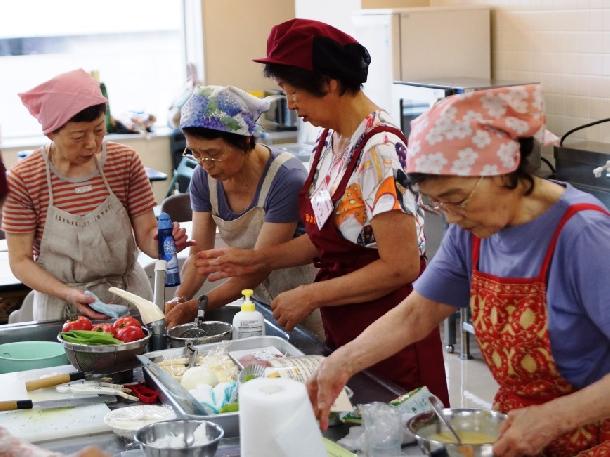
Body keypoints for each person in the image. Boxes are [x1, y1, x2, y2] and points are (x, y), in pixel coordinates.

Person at [306, 83, 610, 456]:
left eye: (455, 198)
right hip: (518, 430)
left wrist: (555, 418)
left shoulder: (584, 235)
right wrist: (342, 362)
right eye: (438, 204)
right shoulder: (475, 231)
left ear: (504, 169)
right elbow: (417, 313)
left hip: (592, 432)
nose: (451, 217)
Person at [195, 19, 449, 404]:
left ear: (329, 83)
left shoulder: (380, 151)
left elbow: (401, 266)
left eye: (295, 93)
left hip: (389, 327)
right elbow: (326, 240)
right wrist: (254, 258)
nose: (292, 105)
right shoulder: (332, 140)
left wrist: (311, 294)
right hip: (346, 320)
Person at [2, 69, 189, 321]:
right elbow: (20, 261)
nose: (92, 144)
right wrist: (68, 293)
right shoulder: (24, 179)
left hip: (130, 298)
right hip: (62, 306)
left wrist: (163, 245)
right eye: (78, 136)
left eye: (99, 130)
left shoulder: (124, 162)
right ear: (51, 133)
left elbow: (146, 235)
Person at [163, 85, 321, 336]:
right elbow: (199, 258)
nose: (205, 164)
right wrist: (180, 299)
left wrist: (198, 306)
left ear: (245, 140)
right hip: (256, 304)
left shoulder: (285, 178)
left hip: (302, 302)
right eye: (195, 153)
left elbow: (260, 264)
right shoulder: (203, 179)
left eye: (213, 154)